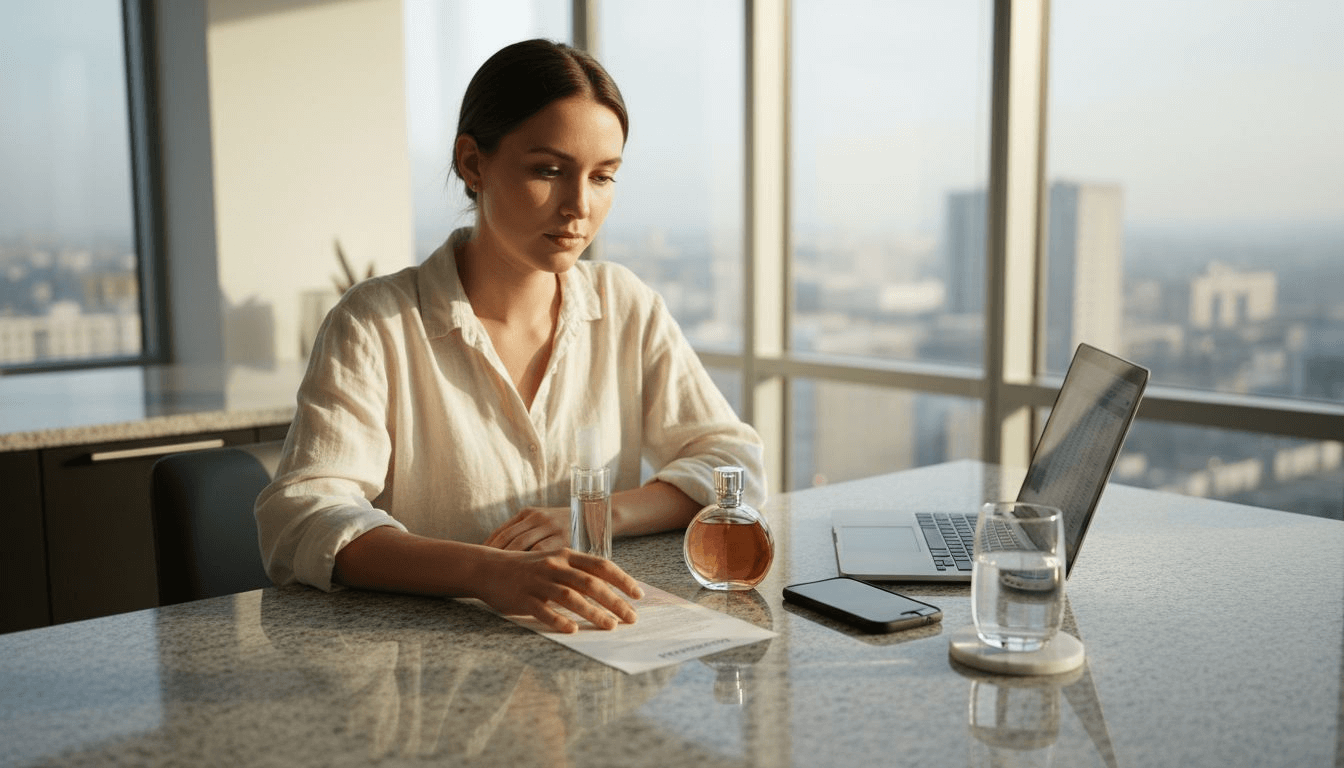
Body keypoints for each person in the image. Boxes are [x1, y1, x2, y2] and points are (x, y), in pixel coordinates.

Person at [254, 39, 766, 635]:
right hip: (428, 664)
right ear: (473, 164)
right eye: (548, 171)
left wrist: (602, 514)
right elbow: (302, 519)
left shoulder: (625, 305)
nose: (579, 206)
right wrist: (488, 572)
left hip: (596, 642)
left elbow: (734, 465)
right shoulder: (376, 322)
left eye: (602, 177)